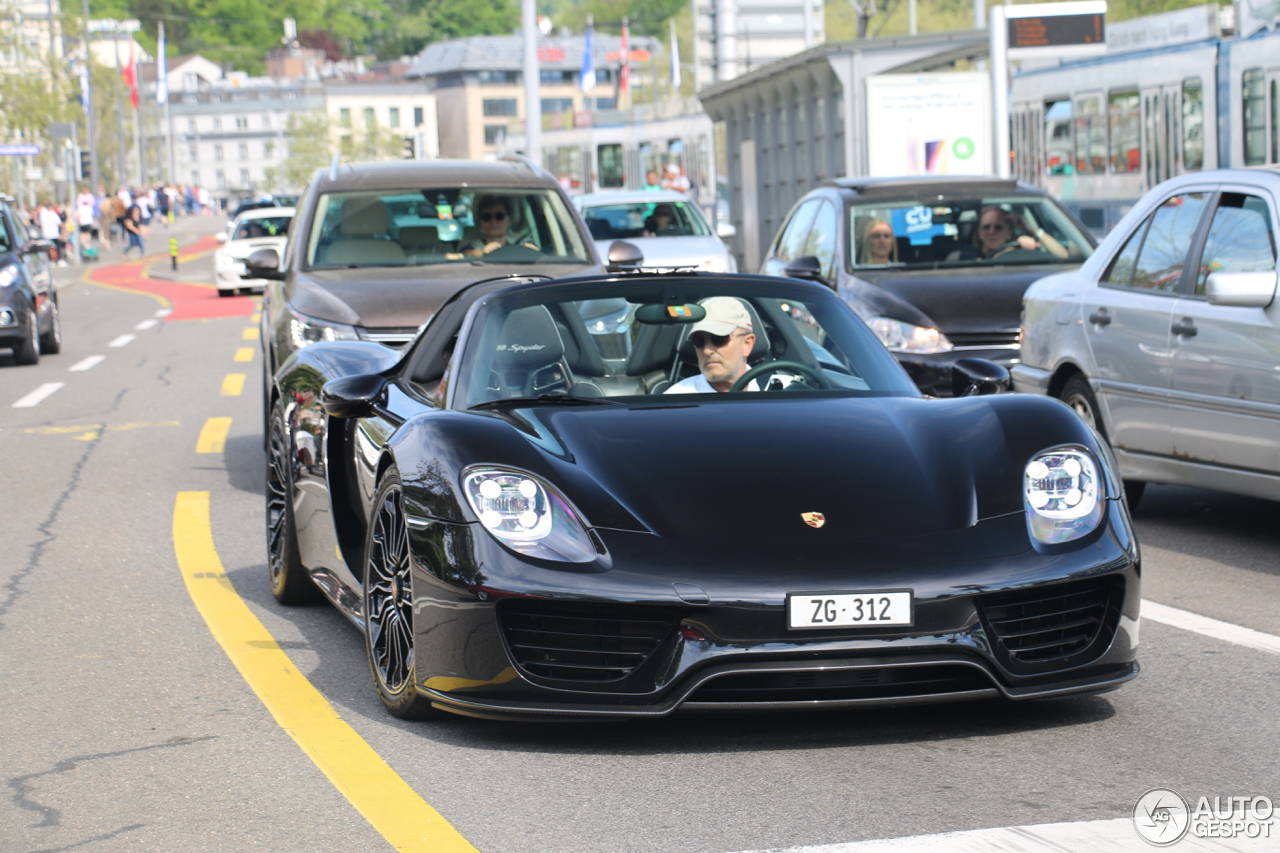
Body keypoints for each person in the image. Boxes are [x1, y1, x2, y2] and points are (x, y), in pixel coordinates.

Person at [666, 297, 761, 394]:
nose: (706, 350)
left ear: (747, 344)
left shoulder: (773, 391)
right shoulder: (676, 401)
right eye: (699, 340)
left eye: (718, 338)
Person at [954, 206, 1069, 261]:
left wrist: (1032, 229)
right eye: (986, 227)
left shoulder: (1021, 254)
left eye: (998, 227)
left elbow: (1063, 255)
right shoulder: (967, 256)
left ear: (1009, 233)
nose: (991, 232)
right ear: (979, 233)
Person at [462, 196, 536, 257]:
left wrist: (530, 251)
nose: (493, 221)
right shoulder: (472, 244)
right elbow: (465, 254)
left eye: (499, 216)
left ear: (509, 220)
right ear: (480, 222)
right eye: (487, 217)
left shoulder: (522, 241)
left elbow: (538, 255)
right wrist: (483, 253)